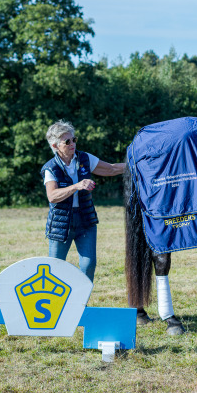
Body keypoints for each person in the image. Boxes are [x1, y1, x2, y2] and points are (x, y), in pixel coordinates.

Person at [40, 120, 125, 282]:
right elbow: (52, 196)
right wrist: (77, 186)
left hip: (85, 220)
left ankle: (82, 305)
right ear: (55, 146)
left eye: (74, 139)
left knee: (88, 264)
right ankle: (57, 306)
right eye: (67, 141)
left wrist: (137, 166)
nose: (73, 144)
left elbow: (111, 169)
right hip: (61, 223)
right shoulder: (50, 167)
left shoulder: (84, 158)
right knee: (55, 269)